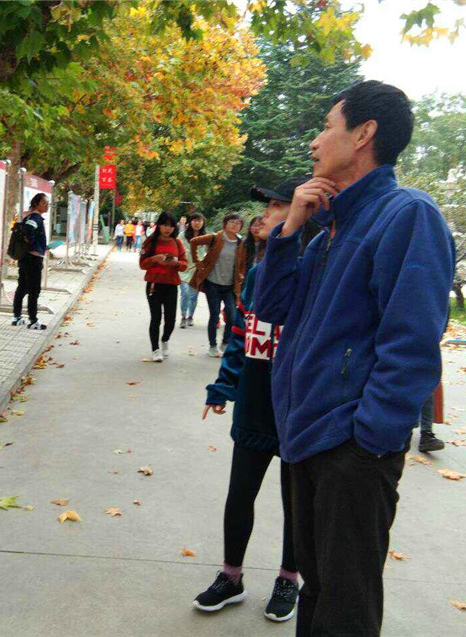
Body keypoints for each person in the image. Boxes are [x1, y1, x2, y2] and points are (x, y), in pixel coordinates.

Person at [254, 80, 455, 636]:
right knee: (316, 589)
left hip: (350, 447)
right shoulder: (326, 228)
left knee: (346, 608)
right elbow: (270, 308)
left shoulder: (407, 215)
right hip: (305, 434)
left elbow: (412, 341)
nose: (315, 141)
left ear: (364, 133)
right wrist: (290, 230)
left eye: (327, 126)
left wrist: (371, 438)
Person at [194, 179, 313, 623]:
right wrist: (224, 387)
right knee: (240, 492)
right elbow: (242, 335)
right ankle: (232, 576)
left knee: (295, 501)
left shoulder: (316, 270)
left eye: (279, 206)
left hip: (298, 406)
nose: (264, 214)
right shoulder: (260, 272)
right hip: (256, 400)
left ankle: (288, 578)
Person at [189, 213, 246, 358]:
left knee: (232, 316)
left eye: (238, 223)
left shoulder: (241, 243)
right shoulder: (215, 237)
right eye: (232, 222)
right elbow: (194, 242)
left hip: (230, 286)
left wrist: (241, 274)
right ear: (225, 224)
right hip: (212, 283)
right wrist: (197, 261)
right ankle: (213, 346)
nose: (235, 225)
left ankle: (225, 343)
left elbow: (243, 263)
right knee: (214, 315)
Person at [139, 212, 187, 362]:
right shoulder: (150, 241)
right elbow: (142, 264)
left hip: (171, 285)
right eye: (165, 225)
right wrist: (155, 259)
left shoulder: (177, 243)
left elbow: (184, 265)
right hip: (154, 285)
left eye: (171, 226)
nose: (168, 229)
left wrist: (176, 263)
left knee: (171, 320)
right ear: (159, 225)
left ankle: (165, 339)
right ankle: (155, 349)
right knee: (156, 318)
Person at [12, 193, 50, 330]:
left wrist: (39, 246)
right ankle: (33, 320)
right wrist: (35, 246)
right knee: (34, 290)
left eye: (47, 203)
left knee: (22, 287)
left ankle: (16, 317)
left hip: (26, 258)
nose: (47, 206)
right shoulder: (35, 217)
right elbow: (28, 231)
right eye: (44, 203)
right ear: (36, 204)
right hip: (32, 259)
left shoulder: (30, 217)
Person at [178, 213, 206, 329]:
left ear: (203, 223)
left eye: (199, 221)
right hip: (184, 270)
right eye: (194, 220)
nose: (197, 223)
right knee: (185, 293)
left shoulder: (206, 238)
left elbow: (210, 252)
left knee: (194, 296)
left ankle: (190, 316)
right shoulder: (182, 236)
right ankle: (183, 316)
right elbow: (176, 250)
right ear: (190, 222)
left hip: (197, 271)